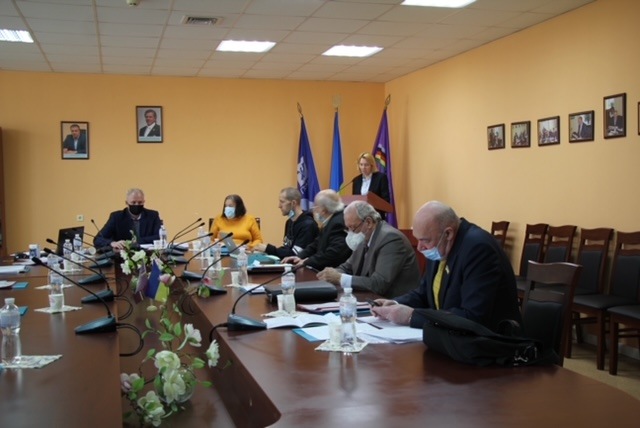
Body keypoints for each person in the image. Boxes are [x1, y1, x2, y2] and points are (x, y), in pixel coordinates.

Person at [371, 201, 521, 333]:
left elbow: (472, 317)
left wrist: (411, 316)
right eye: (418, 240)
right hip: (452, 339)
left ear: (448, 234)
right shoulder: (440, 244)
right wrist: (395, 304)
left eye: (425, 240)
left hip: (492, 345)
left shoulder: (478, 248)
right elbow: (424, 293)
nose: (420, 248)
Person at [317, 201, 420, 298]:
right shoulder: (364, 236)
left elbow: (378, 284)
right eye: (348, 228)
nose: (351, 233)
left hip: (393, 302)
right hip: (369, 298)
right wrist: (330, 274)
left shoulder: (390, 239)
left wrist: (340, 278)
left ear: (369, 222)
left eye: (353, 228)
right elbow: (347, 267)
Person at [282, 189, 351, 270]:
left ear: (324, 210)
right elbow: (316, 243)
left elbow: (333, 254)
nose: (314, 211)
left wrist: (307, 261)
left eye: (316, 207)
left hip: (335, 271)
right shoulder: (331, 220)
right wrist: (299, 257)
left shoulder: (338, 223)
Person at [253, 187, 318, 259]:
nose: (279, 206)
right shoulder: (289, 222)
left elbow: (295, 254)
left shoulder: (308, 225)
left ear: (293, 203)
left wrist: (268, 249)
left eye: (282, 202)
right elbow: (286, 248)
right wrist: (266, 250)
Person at [94, 188, 162, 251]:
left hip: (147, 254)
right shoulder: (116, 217)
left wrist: (134, 242)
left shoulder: (153, 216)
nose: (137, 205)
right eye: (133, 202)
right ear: (126, 203)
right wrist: (112, 243)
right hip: (121, 256)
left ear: (144, 202)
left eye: (140, 202)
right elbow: (98, 239)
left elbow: (160, 237)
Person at [351, 152, 390, 219]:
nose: (363, 167)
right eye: (361, 164)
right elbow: (355, 200)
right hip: (361, 218)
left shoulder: (380, 178)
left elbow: (386, 200)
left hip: (376, 216)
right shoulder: (356, 180)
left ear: (372, 165)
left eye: (366, 165)